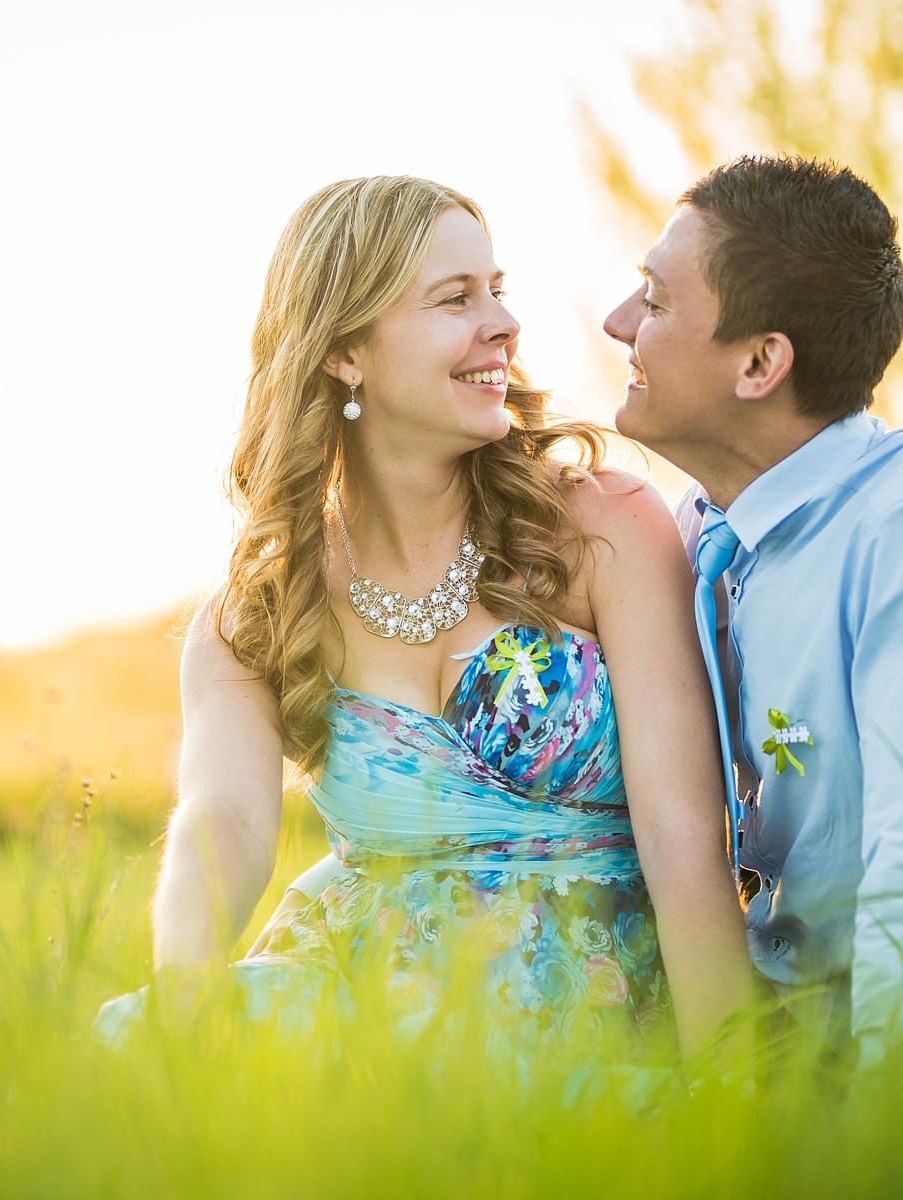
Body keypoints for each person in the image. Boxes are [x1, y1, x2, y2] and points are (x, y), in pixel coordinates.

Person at [105, 175, 754, 1056]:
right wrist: (183, 995)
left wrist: (728, 1075)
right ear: (345, 352)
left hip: (592, 1010)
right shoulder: (259, 611)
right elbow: (225, 823)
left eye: (497, 291)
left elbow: (684, 838)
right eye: (455, 299)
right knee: (119, 1061)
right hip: (356, 1005)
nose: (502, 324)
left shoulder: (605, 527)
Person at [603, 154, 903, 1064]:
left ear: (759, 362)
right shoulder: (698, 530)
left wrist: (898, 1142)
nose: (618, 323)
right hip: (770, 1048)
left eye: (656, 302)